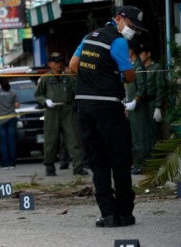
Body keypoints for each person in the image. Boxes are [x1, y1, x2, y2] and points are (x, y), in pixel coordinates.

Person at [69, 5, 147, 227]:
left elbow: (73, 66)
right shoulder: (118, 41)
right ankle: (124, 213)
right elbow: (130, 77)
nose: (132, 30)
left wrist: (94, 75)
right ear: (119, 19)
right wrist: (114, 72)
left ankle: (108, 214)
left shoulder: (89, 37)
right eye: (131, 25)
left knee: (98, 162)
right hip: (109, 109)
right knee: (120, 161)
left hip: (84, 108)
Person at [35, 52, 88, 176]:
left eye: (60, 61)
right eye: (56, 62)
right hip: (51, 111)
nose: (59, 64)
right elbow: (38, 95)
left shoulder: (68, 77)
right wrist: (45, 101)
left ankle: (78, 167)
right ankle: (49, 167)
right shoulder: (45, 78)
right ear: (50, 64)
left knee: (73, 138)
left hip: (67, 110)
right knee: (50, 140)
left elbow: (76, 91)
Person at [125, 40, 152, 175]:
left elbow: (142, 87)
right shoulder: (131, 65)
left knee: (141, 136)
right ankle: (137, 162)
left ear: (131, 50)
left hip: (138, 106)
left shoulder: (138, 66)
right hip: (131, 106)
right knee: (134, 136)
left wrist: (135, 100)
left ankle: (143, 163)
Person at [139, 43, 167, 145]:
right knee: (142, 132)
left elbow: (161, 86)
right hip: (141, 103)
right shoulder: (139, 68)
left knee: (154, 130)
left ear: (148, 54)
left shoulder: (156, 67)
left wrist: (158, 106)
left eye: (142, 53)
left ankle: (157, 155)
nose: (140, 55)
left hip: (152, 102)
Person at [0, 77, 20, 169]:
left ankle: (5, 163)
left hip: (0, 120)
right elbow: (17, 105)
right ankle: (12, 163)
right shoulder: (13, 92)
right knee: (11, 141)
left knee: (3, 142)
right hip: (11, 119)